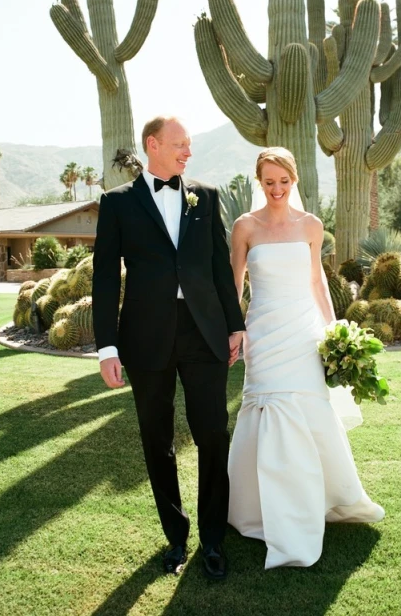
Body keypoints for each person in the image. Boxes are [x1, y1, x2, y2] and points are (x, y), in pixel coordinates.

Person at [92, 115, 245, 580]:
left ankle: (213, 540)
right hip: (145, 337)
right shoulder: (116, 204)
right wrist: (107, 348)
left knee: (213, 434)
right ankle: (176, 538)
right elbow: (103, 278)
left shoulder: (206, 196)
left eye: (189, 145)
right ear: (153, 145)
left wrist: (234, 325)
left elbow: (220, 265)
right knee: (157, 440)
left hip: (204, 331)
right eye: (179, 144)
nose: (187, 152)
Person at [228, 147, 384, 570]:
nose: (276, 189)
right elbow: (233, 284)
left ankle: (319, 501)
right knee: (266, 409)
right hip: (263, 333)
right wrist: (235, 329)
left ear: (294, 181)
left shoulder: (311, 225)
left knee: (308, 409)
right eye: (268, 182)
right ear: (259, 183)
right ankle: (259, 511)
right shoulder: (244, 227)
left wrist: (336, 329)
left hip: (303, 333)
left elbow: (316, 281)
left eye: (283, 181)